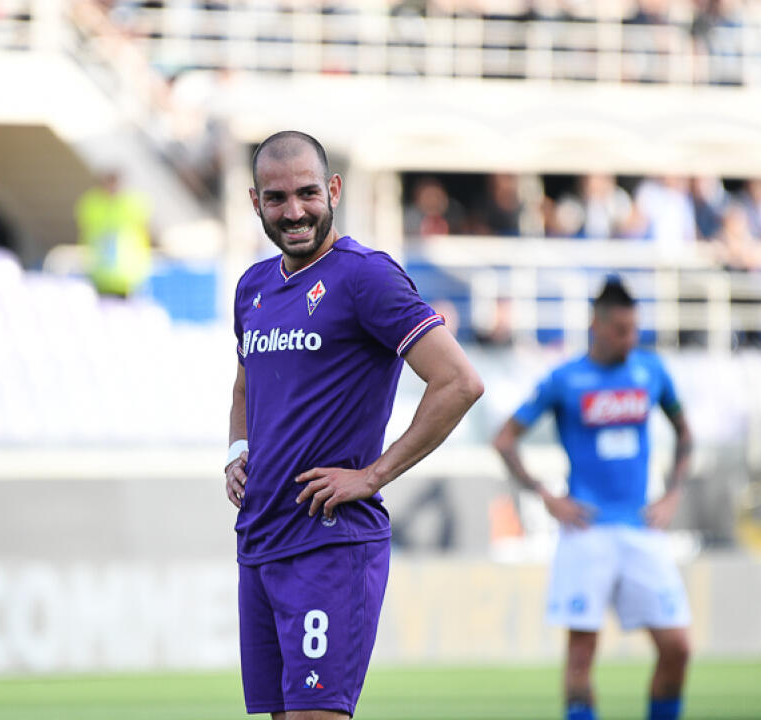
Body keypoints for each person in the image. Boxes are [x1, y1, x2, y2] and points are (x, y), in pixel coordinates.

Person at [225, 130, 484, 719]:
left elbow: (459, 382)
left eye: (307, 193)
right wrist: (238, 449)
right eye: (276, 198)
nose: (294, 212)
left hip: (329, 542)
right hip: (261, 540)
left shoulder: (366, 276)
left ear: (334, 190)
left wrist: (372, 475)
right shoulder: (252, 289)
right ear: (255, 201)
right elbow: (244, 383)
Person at [491, 278, 693, 720]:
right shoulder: (566, 380)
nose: (630, 339)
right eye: (621, 329)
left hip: (641, 528)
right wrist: (546, 495)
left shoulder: (651, 371)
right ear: (596, 326)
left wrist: (673, 492)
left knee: (678, 647)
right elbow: (505, 439)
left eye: (634, 329)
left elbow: (685, 433)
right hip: (586, 532)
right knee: (581, 657)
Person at [75, 169, 152, 298]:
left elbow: (144, 232)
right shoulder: (92, 204)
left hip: (127, 276)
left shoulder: (132, 204)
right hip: (99, 273)